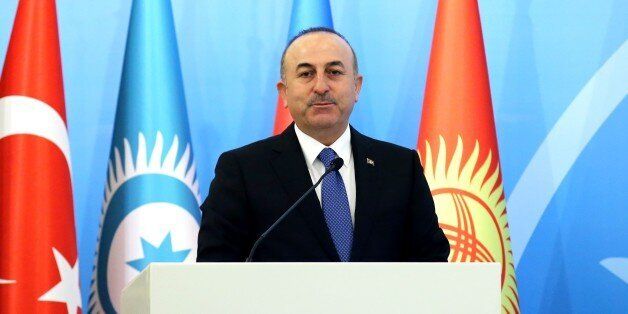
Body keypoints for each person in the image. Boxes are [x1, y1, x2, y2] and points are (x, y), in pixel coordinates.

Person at [197, 27, 449, 262]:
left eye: (334, 72)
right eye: (306, 74)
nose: (320, 87)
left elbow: (431, 262)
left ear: (356, 86)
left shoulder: (400, 167)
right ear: (283, 92)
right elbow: (215, 268)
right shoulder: (243, 170)